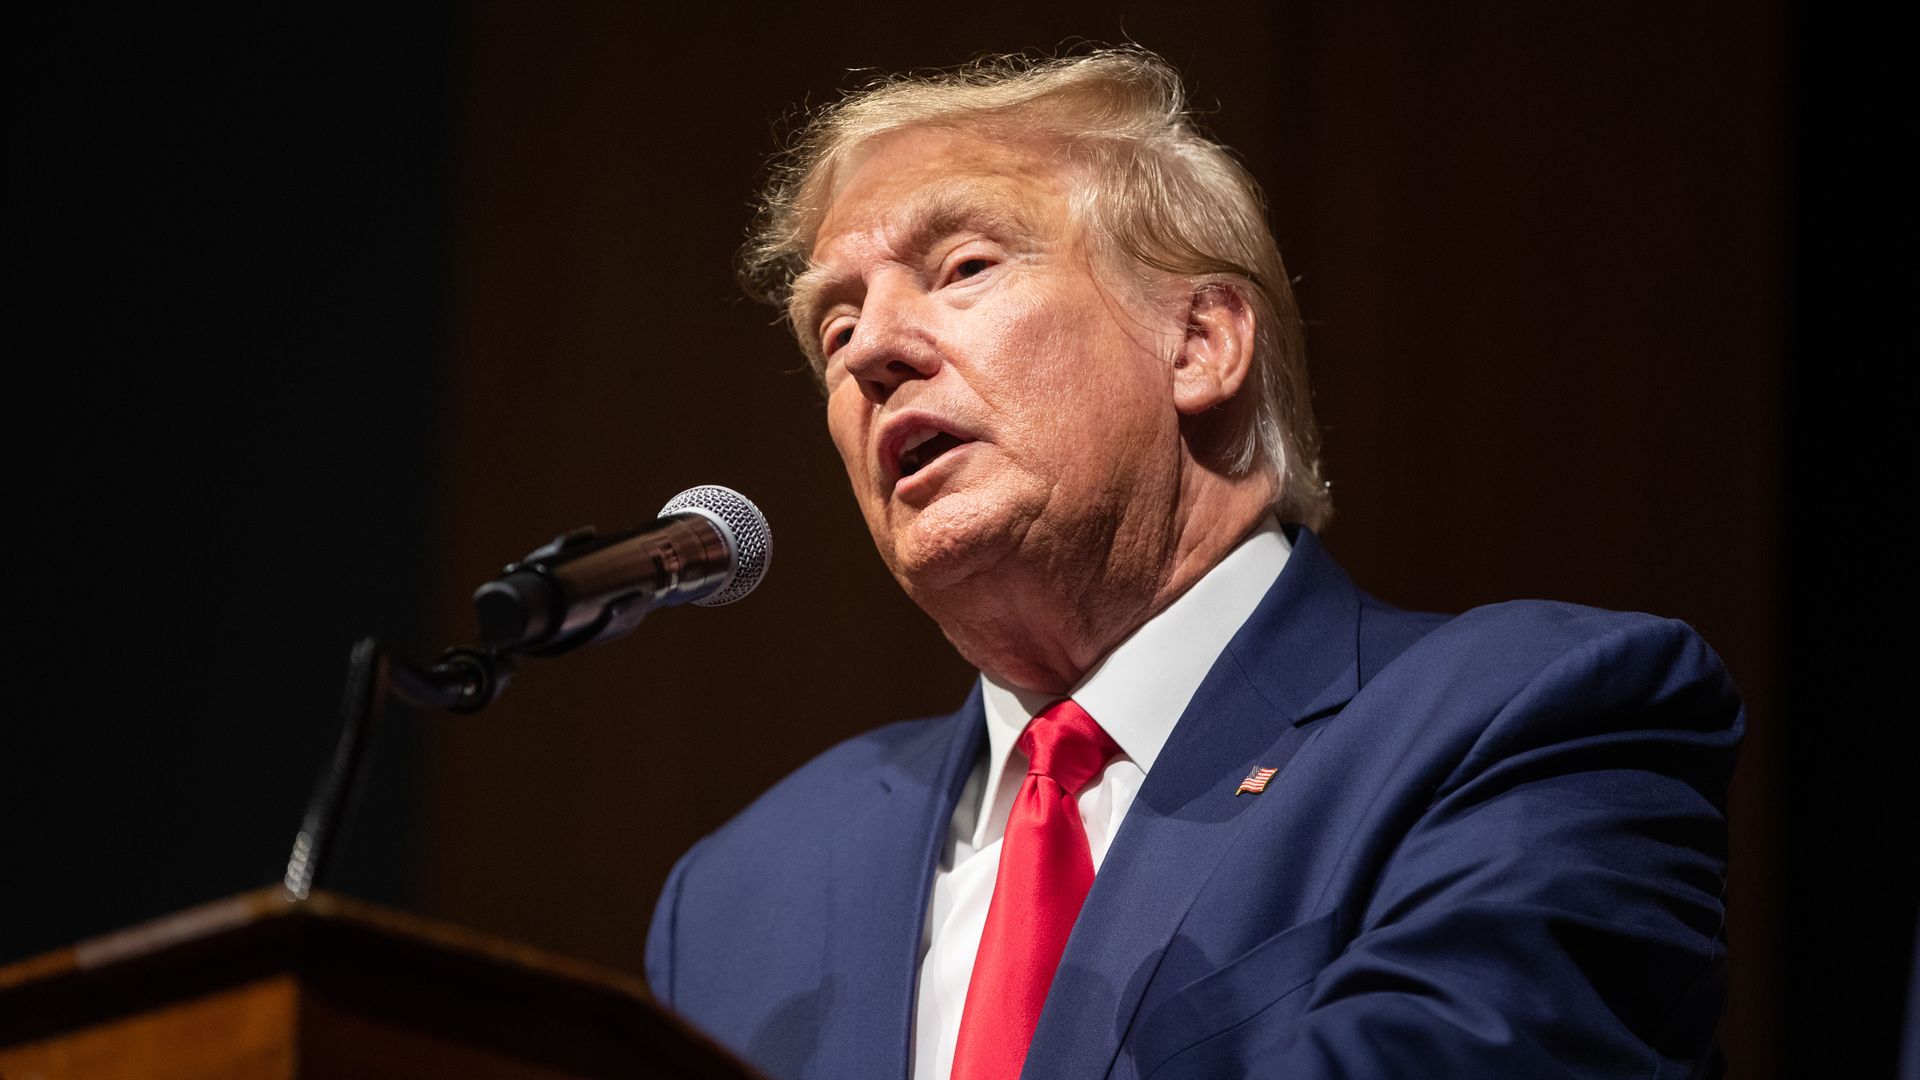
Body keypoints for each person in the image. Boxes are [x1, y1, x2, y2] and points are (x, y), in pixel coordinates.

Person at [645, 47, 1740, 1080]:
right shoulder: (743, 894)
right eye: (836, 331)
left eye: (964, 267)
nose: (875, 353)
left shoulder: (1531, 722)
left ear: (1200, 343)